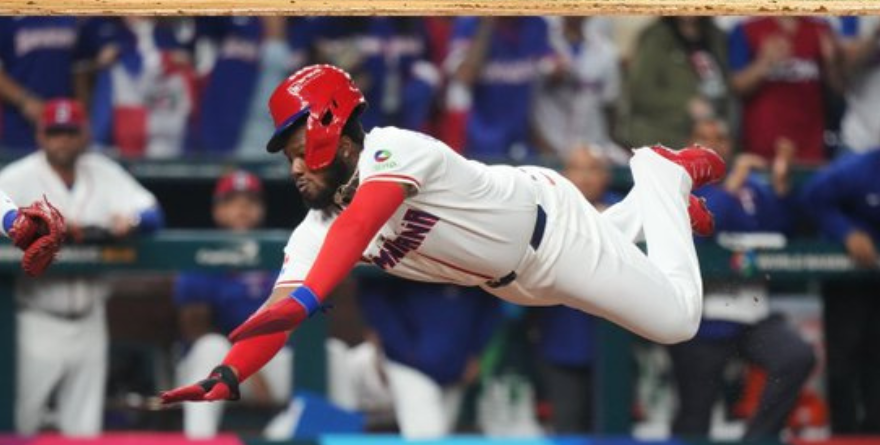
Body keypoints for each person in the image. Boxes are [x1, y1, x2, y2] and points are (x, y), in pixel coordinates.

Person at [159, 63, 726, 408]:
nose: (296, 168)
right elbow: (276, 311)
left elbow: (360, 224)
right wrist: (229, 372)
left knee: (677, 321)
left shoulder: (394, 149)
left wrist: (309, 297)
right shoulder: (316, 227)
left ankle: (660, 175)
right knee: (620, 249)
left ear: (337, 134)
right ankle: (655, 209)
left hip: (550, 231)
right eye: (289, 157)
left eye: (301, 150)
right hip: (513, 278)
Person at [0, 98, 164, 436]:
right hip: (37, 318)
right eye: (55, 132)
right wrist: (23, 224)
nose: (62, 140)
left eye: (70, 132)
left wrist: (130, 222)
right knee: (20, 424)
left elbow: (152, 213)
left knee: (84, 432)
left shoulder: (103, 171)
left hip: (90, 318)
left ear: (84, 135)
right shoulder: (19, 176)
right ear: (41, 135)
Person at [668, 117, 815, 440]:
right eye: (703, 137)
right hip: (702, 319)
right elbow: (704, 231)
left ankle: (757, 439)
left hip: (751, 312)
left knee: (796, 356)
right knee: (695, 413)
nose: (712, 144)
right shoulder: (675, 185)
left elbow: (782, 230)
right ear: (689, 143)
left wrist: (780, 187)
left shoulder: (752, 187)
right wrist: (729, 187)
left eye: (720, 137)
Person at [172, 169, 292, 438]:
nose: (242, 208)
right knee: (211, 347)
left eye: (250, 201)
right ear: (218, 210)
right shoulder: (200, 255)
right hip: (217, 366)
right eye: (232, 201)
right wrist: (250, 370)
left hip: (271, 362)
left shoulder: (282, 254)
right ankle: (200, 440)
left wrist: (257, 367)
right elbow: (196, 331)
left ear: (262, 209)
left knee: (331, 355)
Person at [533, 145, 620, 433]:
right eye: (577, 168)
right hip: (561, 338)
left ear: (606, 175)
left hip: (615, 343)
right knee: (567, 425)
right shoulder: (548, 208)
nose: (584, 177)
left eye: (593, 169)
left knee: (611, 427)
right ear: (564, 174)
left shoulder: (621, 210)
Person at [355, 277, 499, 438]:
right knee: (428, 434)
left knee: (440, 432)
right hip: (407, 366)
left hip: (456, 367)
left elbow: (491, 303)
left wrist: (475, 351)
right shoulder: (394, 268)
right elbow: (373, 294)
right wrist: (403, 347)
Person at [801, 150, 880, 433]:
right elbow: (812, 197)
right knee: (844, 358)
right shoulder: (859, 168)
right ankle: (843, 433)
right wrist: (846, 231)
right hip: (850, 278)